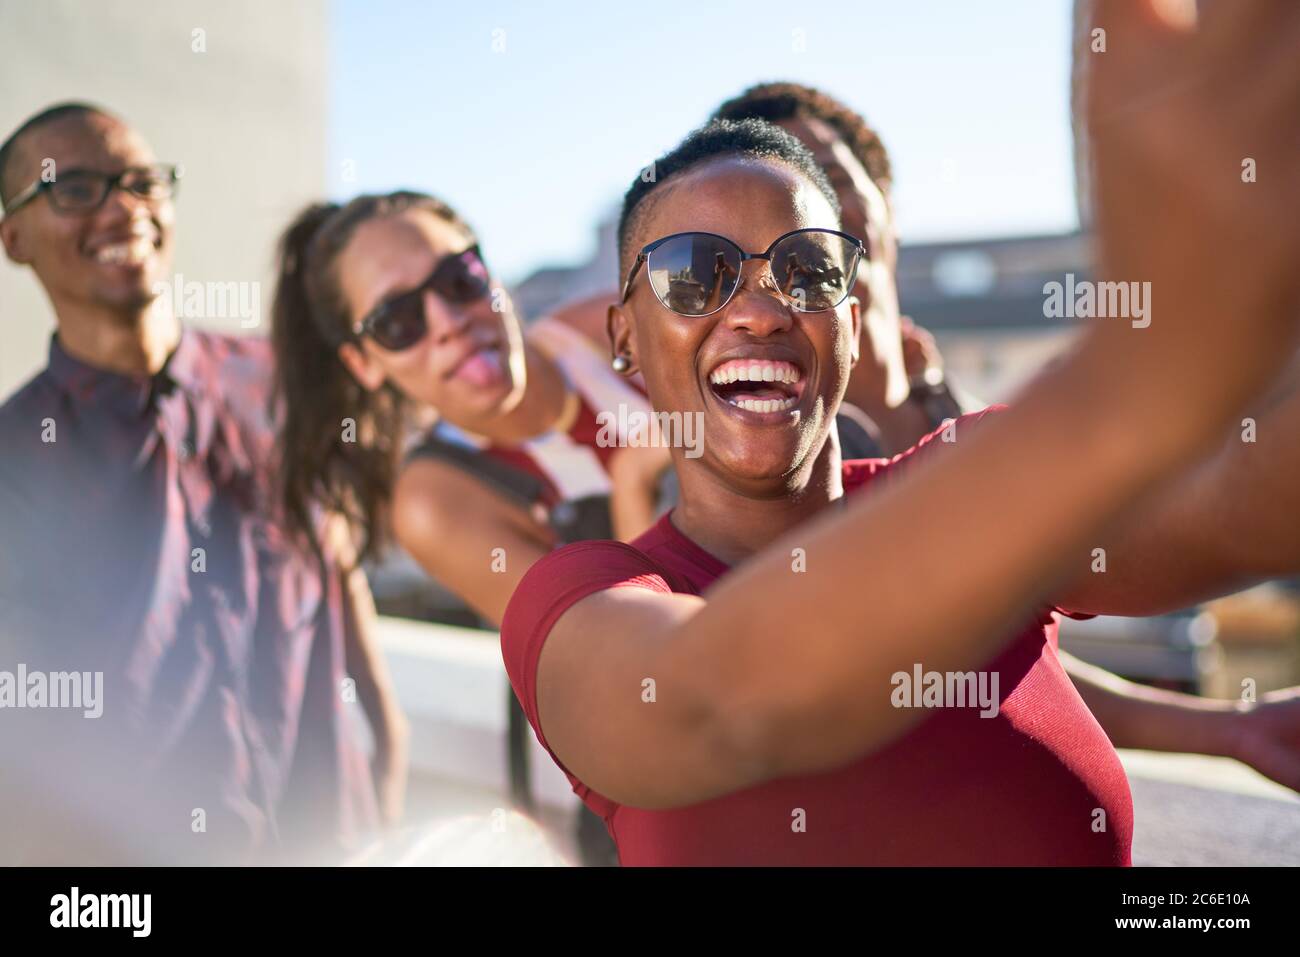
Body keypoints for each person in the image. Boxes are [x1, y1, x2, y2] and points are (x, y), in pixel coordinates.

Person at [498, 0, 1300, 865]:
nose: (763, 311)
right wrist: (1125, 391)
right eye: (697, 274)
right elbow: (718, 703)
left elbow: (1244, 505)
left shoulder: (973, 479)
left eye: (808, 269)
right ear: (625, 336)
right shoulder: (574, 596)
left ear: (852, 310)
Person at [0, 103, 406, 864]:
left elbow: (341, 570)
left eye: (141, 180)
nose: (124, 206)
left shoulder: (281, 381)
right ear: (12, 238)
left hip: (334, 841)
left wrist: (386, 751)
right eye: (75, 187)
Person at [270, 191, 659, 863]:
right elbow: (626, 672)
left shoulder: (601, 331)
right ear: (365, 364)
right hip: (677, 803)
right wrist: (637, 484)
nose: (449, 321)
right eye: (397, 321)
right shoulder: (435, 499)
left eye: (458, 280)